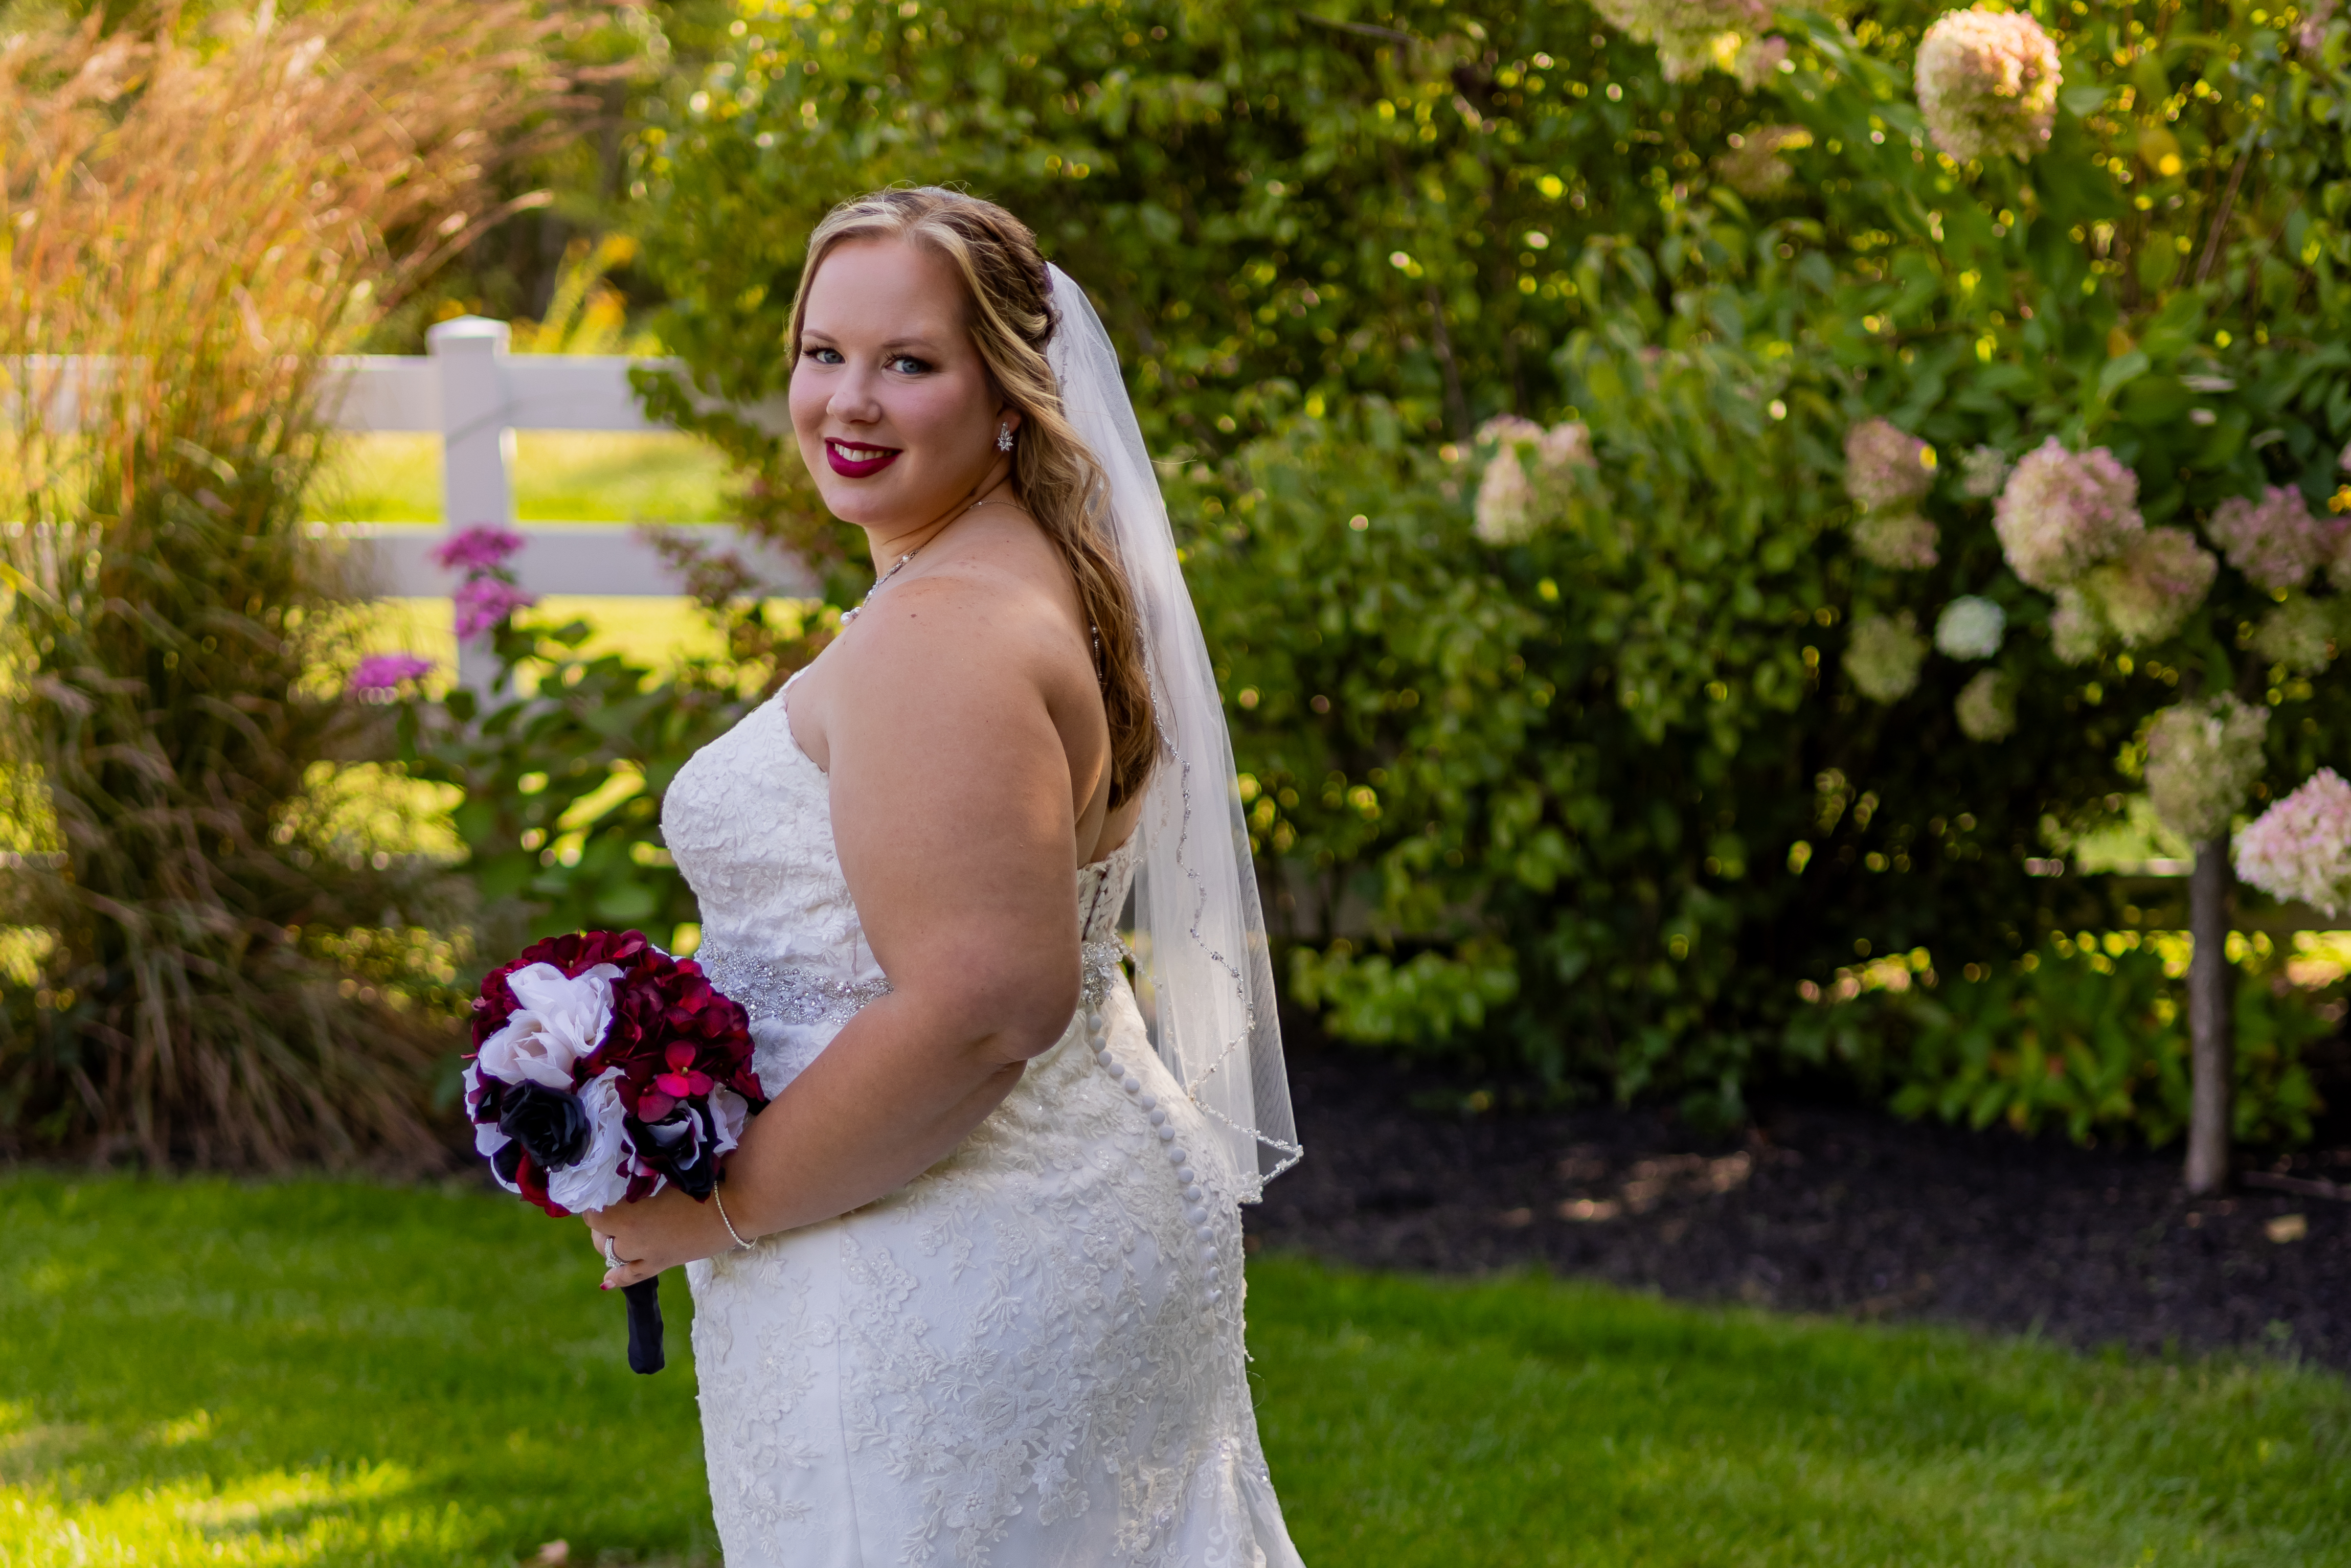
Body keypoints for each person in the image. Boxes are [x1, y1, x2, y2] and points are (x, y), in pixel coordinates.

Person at [583, 187, 1305, 1567]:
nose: (849, 402)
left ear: (1012, 392)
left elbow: (985, 1003)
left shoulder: (945, 632)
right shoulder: (1029, 569)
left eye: (909, 363)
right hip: (1046, 1203)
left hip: (938, 1257)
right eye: (823, 353)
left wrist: (712, 1207)